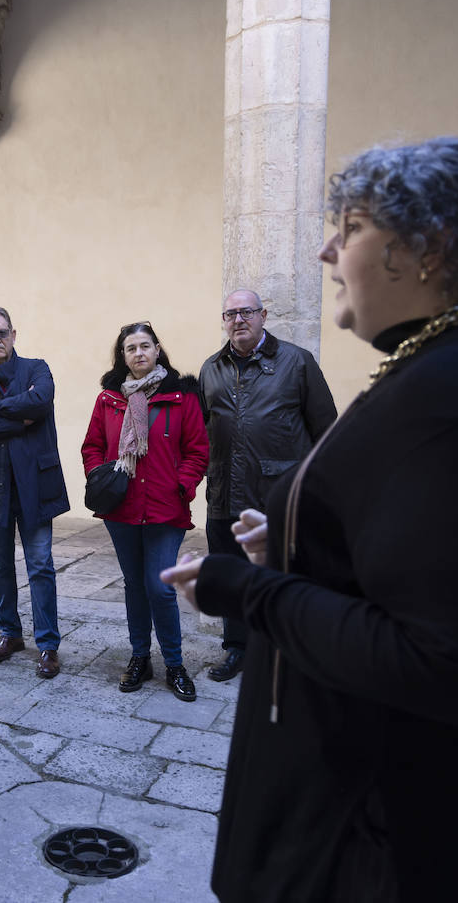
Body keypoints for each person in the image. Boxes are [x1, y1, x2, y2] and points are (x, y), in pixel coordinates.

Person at [161, 137, 458, 902]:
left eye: (353, 225)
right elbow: (413, 556)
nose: (330, 249)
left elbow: (453, 661)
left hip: (408, 844)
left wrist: (249, 592)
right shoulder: (447, 365)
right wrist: (304, 548)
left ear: (424, 249)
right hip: (384, 821)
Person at [198, 290, 336, 681]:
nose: (238, 319)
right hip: (224, 491)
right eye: (230, 313)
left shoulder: (297, 361)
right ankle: (237, 649)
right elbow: (203, 431)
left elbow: (325, 428)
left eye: (246, 312)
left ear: (263, 315)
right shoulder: (211, 368)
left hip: (279, 492)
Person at [81, 322, 208, 700]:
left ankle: (174, 663)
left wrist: (181, 485)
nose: (139, 353)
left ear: (157, 350)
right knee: (135, 586)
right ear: (122, 356)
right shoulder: (109, 399)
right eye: (131, 348)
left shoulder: (181, 398)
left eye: (145, 346)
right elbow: (92, 446)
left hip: (165, 510)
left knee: (160, 587)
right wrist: (101, 477)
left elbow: (198, 450)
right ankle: (140, 657)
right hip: (122, 509)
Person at [0, 307, 68, 678]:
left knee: (40, 566)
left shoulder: (37, 369)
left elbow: (41, 402)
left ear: (14, 334)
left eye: (1, 333)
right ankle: (10, 634)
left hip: (35, 484)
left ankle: (48, 645)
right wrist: (17, 418)